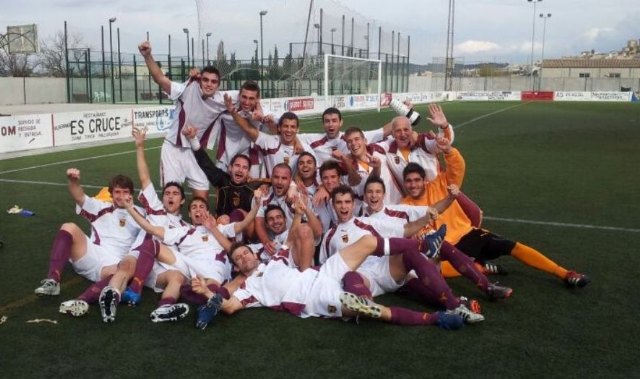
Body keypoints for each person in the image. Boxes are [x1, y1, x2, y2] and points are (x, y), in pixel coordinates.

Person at [400, 138, 591, 289]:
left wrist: (449, 150)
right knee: (436, 269)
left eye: (417, 180)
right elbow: (409, 228)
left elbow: (458, 168)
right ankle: (479, 267)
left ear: (424, 180)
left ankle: (565, 273)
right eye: (408, 181)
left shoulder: (441, 183)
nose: (413, 184)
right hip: (448, 246)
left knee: (512, 246)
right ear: (405, 183)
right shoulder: (404, 205)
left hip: (469, 234)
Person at [191, 236, 465, 331]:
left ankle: (425, 244)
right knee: (365, 307)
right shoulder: (249, 289)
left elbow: (292, 241)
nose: (243, 257)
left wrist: (298, 209)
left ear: (252, 254)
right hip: (314, 298)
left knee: (368, 242)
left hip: (323, 273)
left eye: (245, 252)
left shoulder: (273, 261)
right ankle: (435, 318)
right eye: (238, 258)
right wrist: (206, 293)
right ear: (237, 266)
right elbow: (229, 307)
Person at [319, 185, 488, 323]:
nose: (343, 206)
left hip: (383, 267)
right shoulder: (329, 237)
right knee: (350, 275)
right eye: (339, 202)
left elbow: (405, 229)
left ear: (353, 204)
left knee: (409, 252)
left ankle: (455, 305)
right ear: (333, 205)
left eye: (347, 202)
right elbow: (327, 267)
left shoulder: (368, 222)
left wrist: (426, 220)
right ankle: (367, 306)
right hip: (364, 278)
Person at [34, 169, 144, 319]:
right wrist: (73, 181)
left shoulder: (140, 213)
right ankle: (53, 281)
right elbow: (79, 197)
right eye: (117, 192)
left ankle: (82, 301)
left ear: (131, 193)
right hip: (91, 254)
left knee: (121, 271)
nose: (121, 196)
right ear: (111, 193)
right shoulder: (101, 207)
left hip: (114, 266)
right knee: (69, 227)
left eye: (125, 192)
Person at [139, 40, 226, 200]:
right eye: (205, 80)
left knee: (202, 195)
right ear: (200, 81)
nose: (209, 84)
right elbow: (160, 79)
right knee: (172, 197)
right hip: (173, 148)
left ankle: (198, 225)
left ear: (218, 85)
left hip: (195, 151)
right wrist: (148, 55)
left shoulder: (222, 100)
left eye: (213, 82)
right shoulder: (186, 89)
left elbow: (248, 97)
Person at [254, 164, 322, 258]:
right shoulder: (262, 194)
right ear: (271, 178)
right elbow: (259, 222)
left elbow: (318, 232)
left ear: (290, 181)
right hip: (272, 245)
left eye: (284, 178)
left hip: (295, 246)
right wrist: (267, 242)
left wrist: (304, 207)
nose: (279, 182)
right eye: (276, 177)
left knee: (305, 228)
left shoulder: (300, 197)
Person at [297, 107, 390, 166]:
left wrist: (405, 114)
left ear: (341, 122)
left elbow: (384, 131)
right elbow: (291, 135)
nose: (330, 125)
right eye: (327, 121)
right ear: (323, 124)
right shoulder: (313, 139)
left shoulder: (352, 139)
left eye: (334, 121)